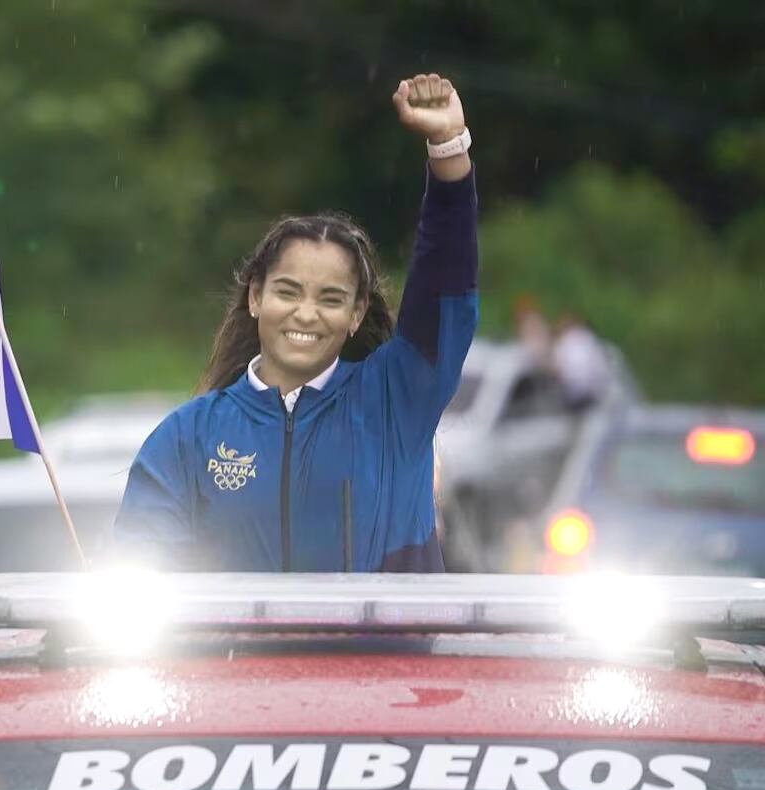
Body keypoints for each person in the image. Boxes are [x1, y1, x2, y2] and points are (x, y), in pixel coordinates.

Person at [112, 73, 478, 572]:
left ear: (356, 314)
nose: (306, 314)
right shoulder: (186, 439)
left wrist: (448, 153)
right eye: (288, 292)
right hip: (238, 655)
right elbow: (141, 577)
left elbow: (444, 290)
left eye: (331, 298)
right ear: (256, 297)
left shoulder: (397, 401)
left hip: (386, 654)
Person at [552, 312, 611, 413]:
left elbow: (558, 369)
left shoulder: (565, 343)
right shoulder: (589, 339)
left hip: (576, 395)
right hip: (597, 393)